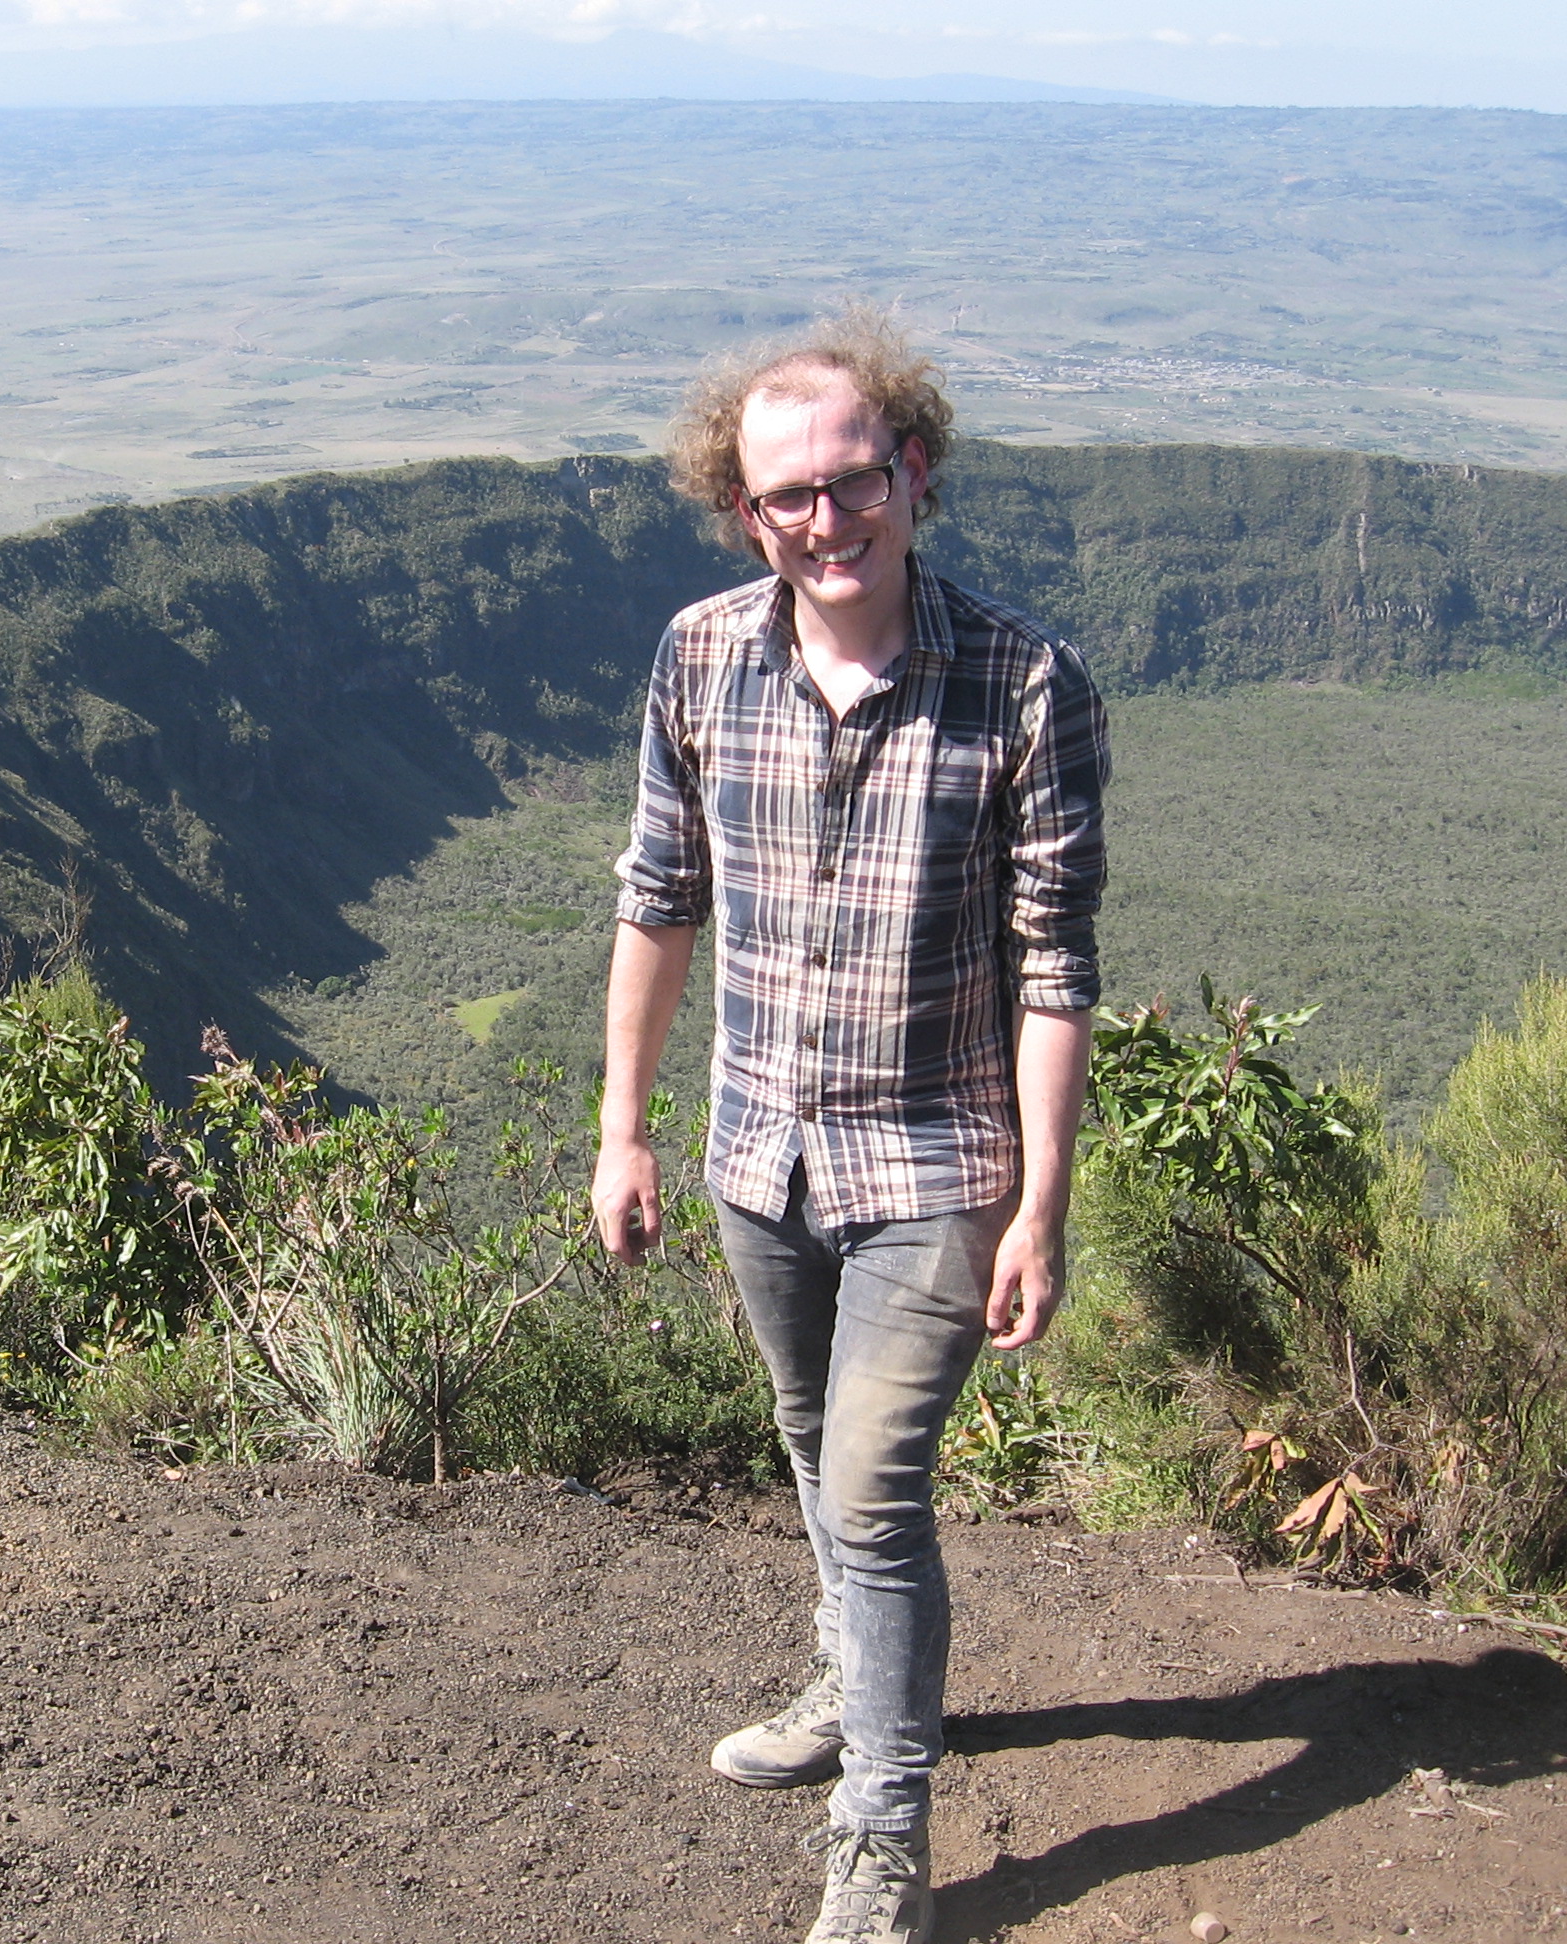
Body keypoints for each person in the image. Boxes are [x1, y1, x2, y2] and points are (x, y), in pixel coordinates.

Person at [591, 311, 1108, 1944]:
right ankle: (853, 1678)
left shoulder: (1024, 682)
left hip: (935, 1164)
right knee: (817, 1455)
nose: (826, 520)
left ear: (915, 471)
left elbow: (1055, 964)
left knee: (874, 1494)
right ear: (742, 510)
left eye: (853, 481)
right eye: (785, 496)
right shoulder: (699, 657)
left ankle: (882, 1833)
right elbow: (658, 905)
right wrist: (628, 1132)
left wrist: (1039, 1206)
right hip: (762, 1154)